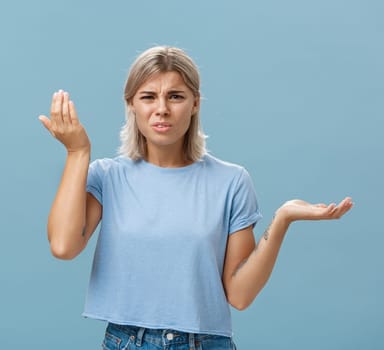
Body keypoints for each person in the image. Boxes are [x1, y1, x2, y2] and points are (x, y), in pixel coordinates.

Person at [39, 46, 353, 350]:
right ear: (131, 104)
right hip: (125, 343)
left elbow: (240, 296)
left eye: (175, 96)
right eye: (148, 96)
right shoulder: (107, 176)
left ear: (195, 103)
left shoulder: (231, 181)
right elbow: (64, 247)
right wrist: (77, 151)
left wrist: (282, 219)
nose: (162, 108)